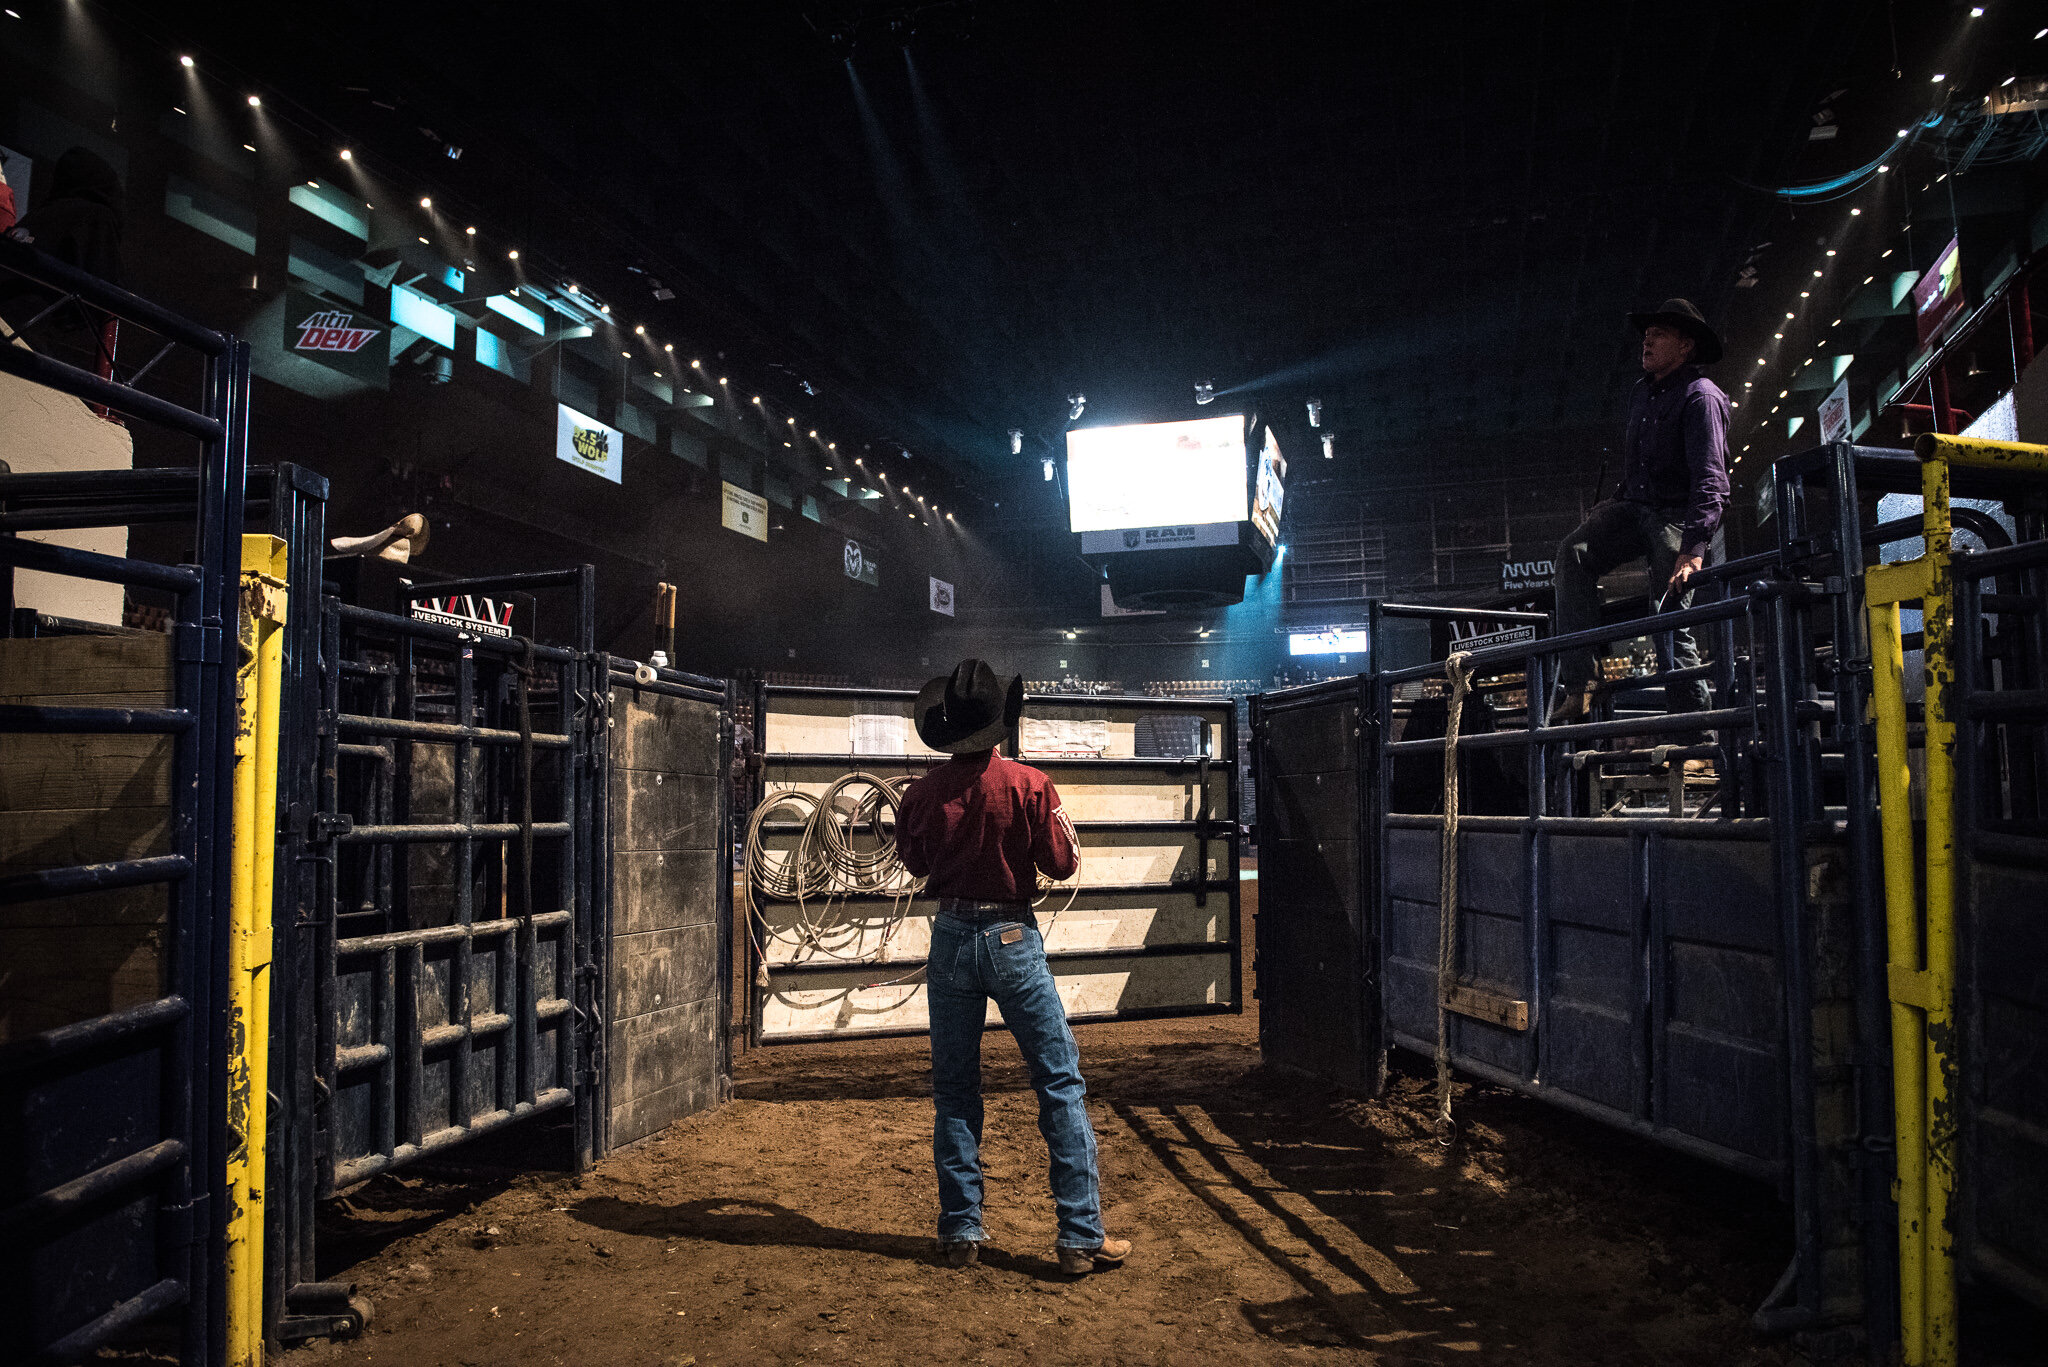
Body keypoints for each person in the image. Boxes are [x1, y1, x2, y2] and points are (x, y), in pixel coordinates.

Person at [896, 658, 1131, 1277]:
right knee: (1059, 1081)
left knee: (954, 1087)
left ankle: (960, 1230)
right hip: (1011, 937)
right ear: (1001, 725)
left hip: (950, 937)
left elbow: (915, 865)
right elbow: (1062, 864)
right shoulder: (1031, 785)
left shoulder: (920, 794)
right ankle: (1080, 1234)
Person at [1550, 298, 1730, 724]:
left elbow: (1711, 478)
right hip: (1638, 506)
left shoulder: (1701, 397)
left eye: (1659, 334)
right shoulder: (1641, 393)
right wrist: (1614, 503)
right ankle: (1582, 685)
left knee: (1670, 615)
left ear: (1685, 347)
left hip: (1678, 516)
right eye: (1646, 335)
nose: (1646, 340)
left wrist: (1695, 548)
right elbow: (1641, 468)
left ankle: (1693, 738)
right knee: (1572, 554)